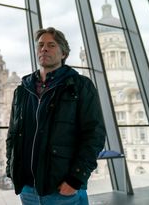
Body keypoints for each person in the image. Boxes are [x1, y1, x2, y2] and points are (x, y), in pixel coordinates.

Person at [6, 27, 106, 205]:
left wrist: (76, 179)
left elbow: (94, 134)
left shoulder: (80, 86)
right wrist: (11, 169)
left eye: (51, 45)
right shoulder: (22, 90)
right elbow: (13, 135)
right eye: (41, 45)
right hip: (28, 189)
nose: (44, 48)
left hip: (63, 189)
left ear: (64, 54)